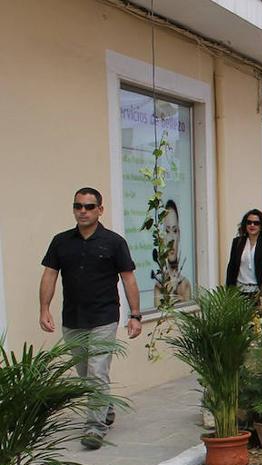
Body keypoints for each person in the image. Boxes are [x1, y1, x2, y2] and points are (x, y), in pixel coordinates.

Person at [39, 187, 143, 449]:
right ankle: (105, 407)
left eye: (88, 206)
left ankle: (95, 427)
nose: (82, 211)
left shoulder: (114, 242)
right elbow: (50, 274)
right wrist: (44, 308)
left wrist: (135, 315)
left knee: (97, 372)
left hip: (104, 316)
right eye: (78, 206)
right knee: (86, 374)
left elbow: (128, 278)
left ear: (100, 209)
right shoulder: (61, 241)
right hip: (72, 318)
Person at [225, 209, 262, 299]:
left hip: (260, 291)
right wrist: (229, 291)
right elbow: (232, 267)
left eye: (256, 223)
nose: (252, 225)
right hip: (239, 291)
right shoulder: (238, 242)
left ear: (261, 226)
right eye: (249, 222)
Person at [153, 201, 191, 305]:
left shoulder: (185, 284)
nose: (171, 239)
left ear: (179, 234)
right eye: (167, 231)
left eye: (174, 231)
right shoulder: (159, 285)